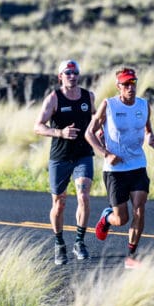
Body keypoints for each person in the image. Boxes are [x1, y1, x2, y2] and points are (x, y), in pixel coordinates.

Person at [85, 67, 154, 269]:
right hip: (115, 170)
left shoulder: (144, 105)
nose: (130, 87)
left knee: (139, 210)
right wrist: (106, 154)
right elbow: (89, 133)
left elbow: (147, 131)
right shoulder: (108, 105)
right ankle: (107, 218)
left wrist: (151, 139)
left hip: (137, 165)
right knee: (122, 218)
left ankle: (132, 256)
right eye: (126, 84)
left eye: (133, 83)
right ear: (118, 87)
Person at [34, 60, 96, 265]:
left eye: (75, 72)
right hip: (60, 157)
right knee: (59, 203)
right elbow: (38, 126)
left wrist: (101, 130)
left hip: (83, 155)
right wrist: (60, 132)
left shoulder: (89, 96)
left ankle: (79, 242)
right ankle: (59, 244)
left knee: (84, 196)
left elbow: (96, 118)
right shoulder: (54, 98)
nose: (72, 76)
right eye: (67, 73)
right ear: (60, 76)